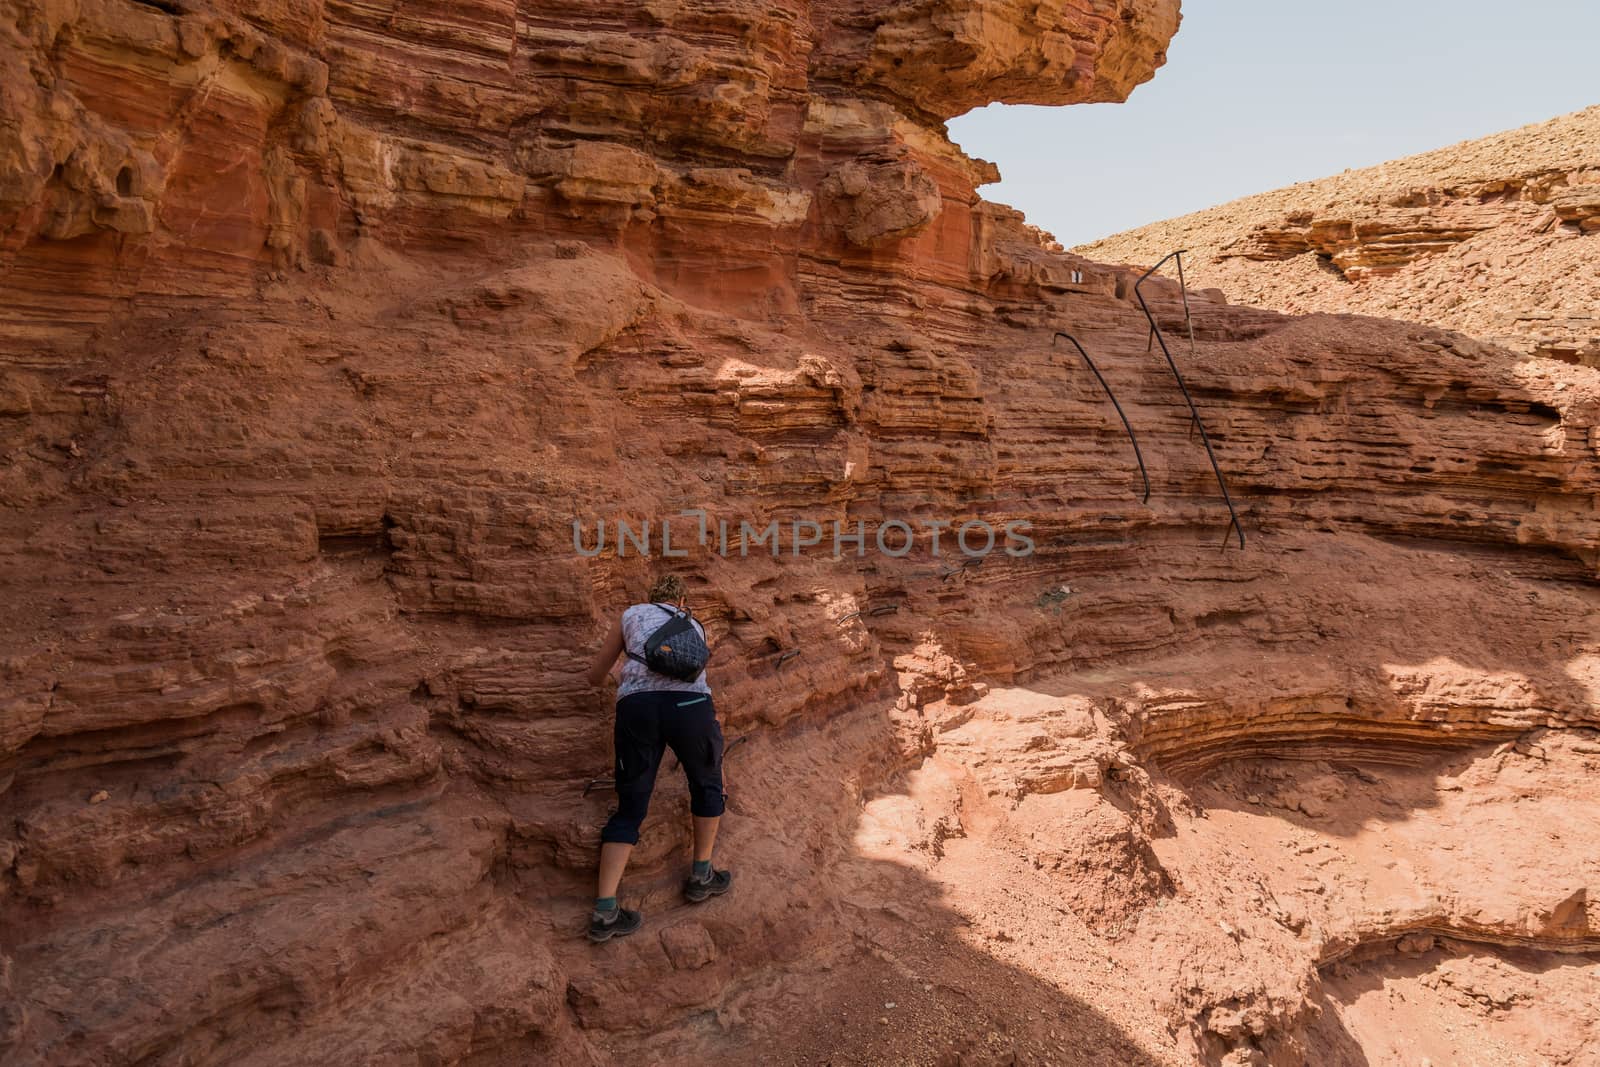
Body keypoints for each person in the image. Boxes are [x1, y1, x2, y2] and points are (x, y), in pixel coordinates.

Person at [583, 574, 732, 942]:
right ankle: (701, 876)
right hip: (692, 707)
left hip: (637, 709)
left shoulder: (631, 614)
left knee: (631, 806)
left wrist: (628, 686)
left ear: (651, 599)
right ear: (680, 600)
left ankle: (604, 911)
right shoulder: (692, 622)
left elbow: (594, 674)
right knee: (707, 783)